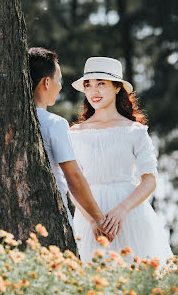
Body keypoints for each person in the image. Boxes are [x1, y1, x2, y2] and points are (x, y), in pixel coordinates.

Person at [70, 56, 173, 263]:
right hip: (88, 216)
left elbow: (150, 179)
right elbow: (72, 183)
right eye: (88, 85)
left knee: (135, 274)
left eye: (101, 83)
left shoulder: (134, 131)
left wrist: (122, 209)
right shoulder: (75, 133)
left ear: (117, 88)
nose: (94, 91)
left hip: (130, 215)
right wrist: (92, 220)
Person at [28, 47, 109, 239]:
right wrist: (99, 221)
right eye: (59, 79)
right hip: (52, 216)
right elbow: (73, 177)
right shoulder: (54, 124)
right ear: (46, 82)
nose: (61, 86)